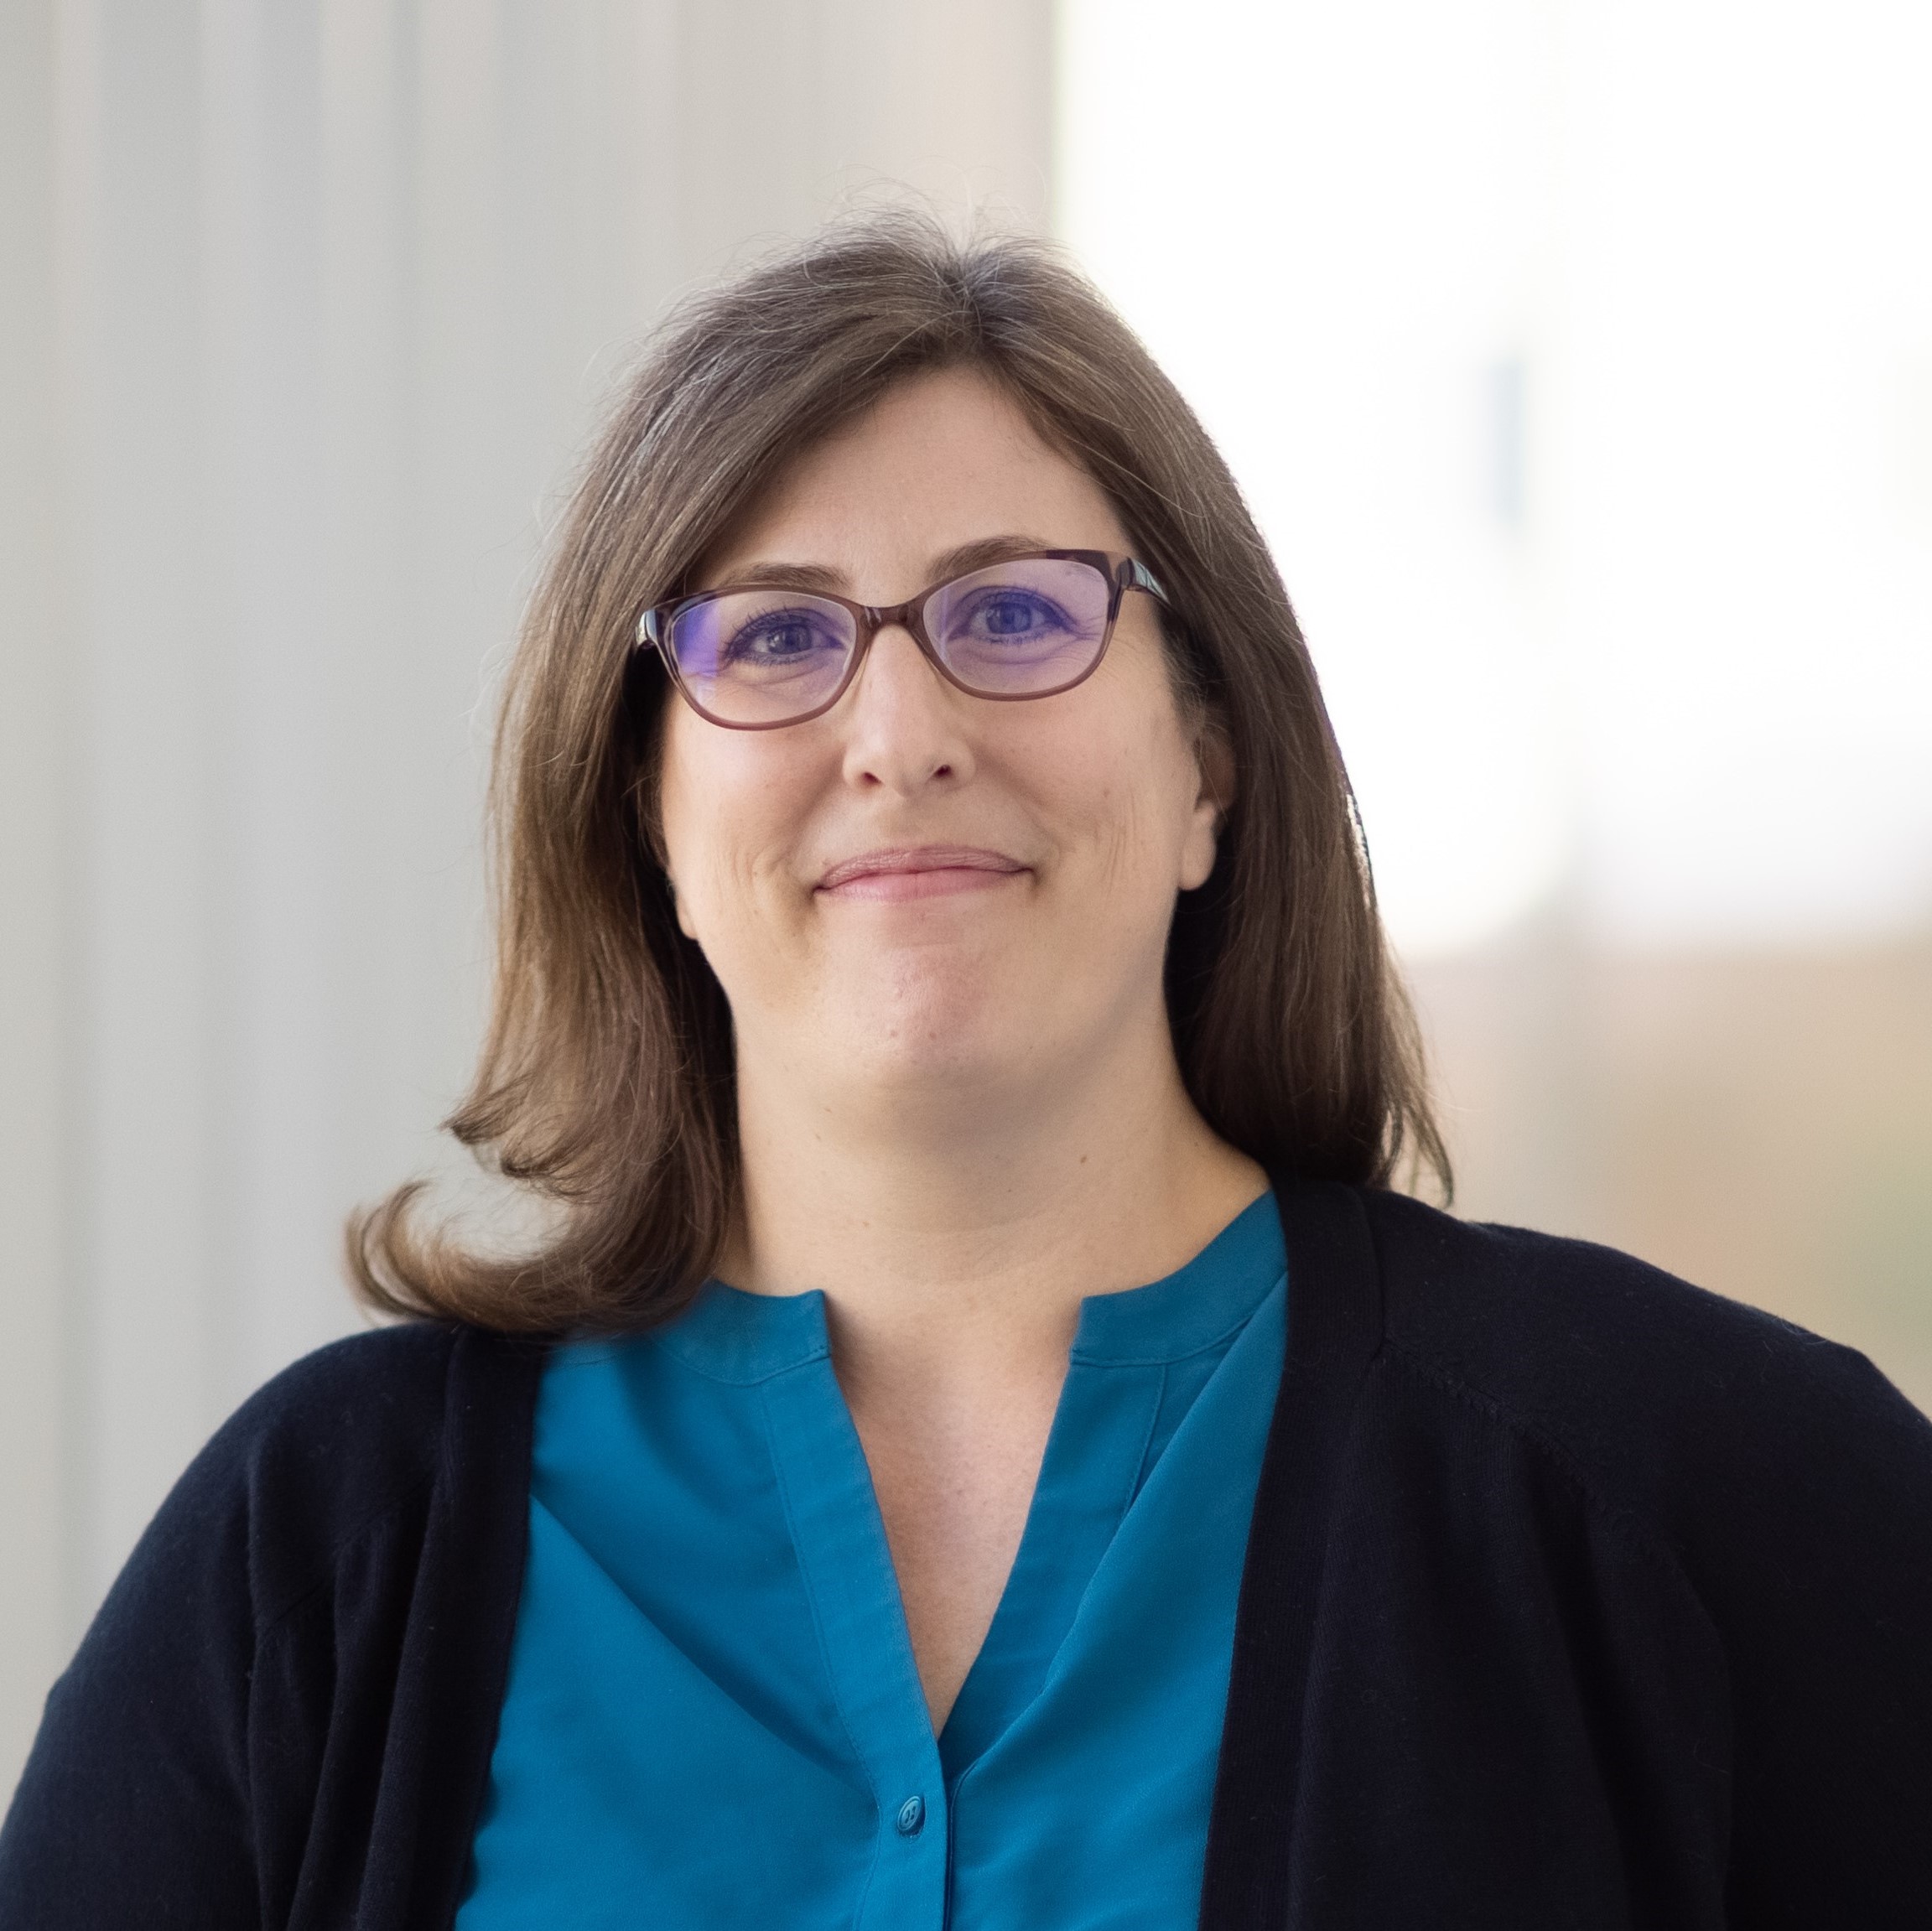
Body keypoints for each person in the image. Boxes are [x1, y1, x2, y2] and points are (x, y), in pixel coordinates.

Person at [3, 214, 1929, 1931]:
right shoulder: (322, 1556)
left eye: (1015, 612)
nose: (899, 731)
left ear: (1210, 766)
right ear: (650, 823)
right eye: (773, 638)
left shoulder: (1716, 1495)